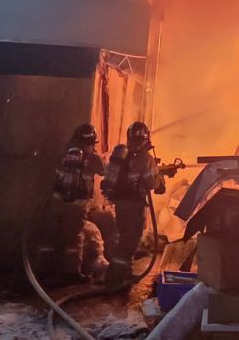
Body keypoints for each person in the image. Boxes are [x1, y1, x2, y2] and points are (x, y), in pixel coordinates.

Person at [101, 121, 162, 288]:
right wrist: (159, 178)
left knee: (124, 236)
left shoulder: (122, 155)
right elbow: (151, 183)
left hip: (120, 203)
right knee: (130, 240)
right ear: (145, 138)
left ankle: (125, 273)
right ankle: (114, 278)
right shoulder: (146, 159)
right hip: (134, 205)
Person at [50, 123, 106, 279]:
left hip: (57, 201)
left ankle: (51, 268)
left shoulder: (64, 153)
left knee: (57, 236)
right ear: (91, 142)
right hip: (77, 206)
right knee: (74, 239)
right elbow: (104, 171)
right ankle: (72, 273)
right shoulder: (93, 158)